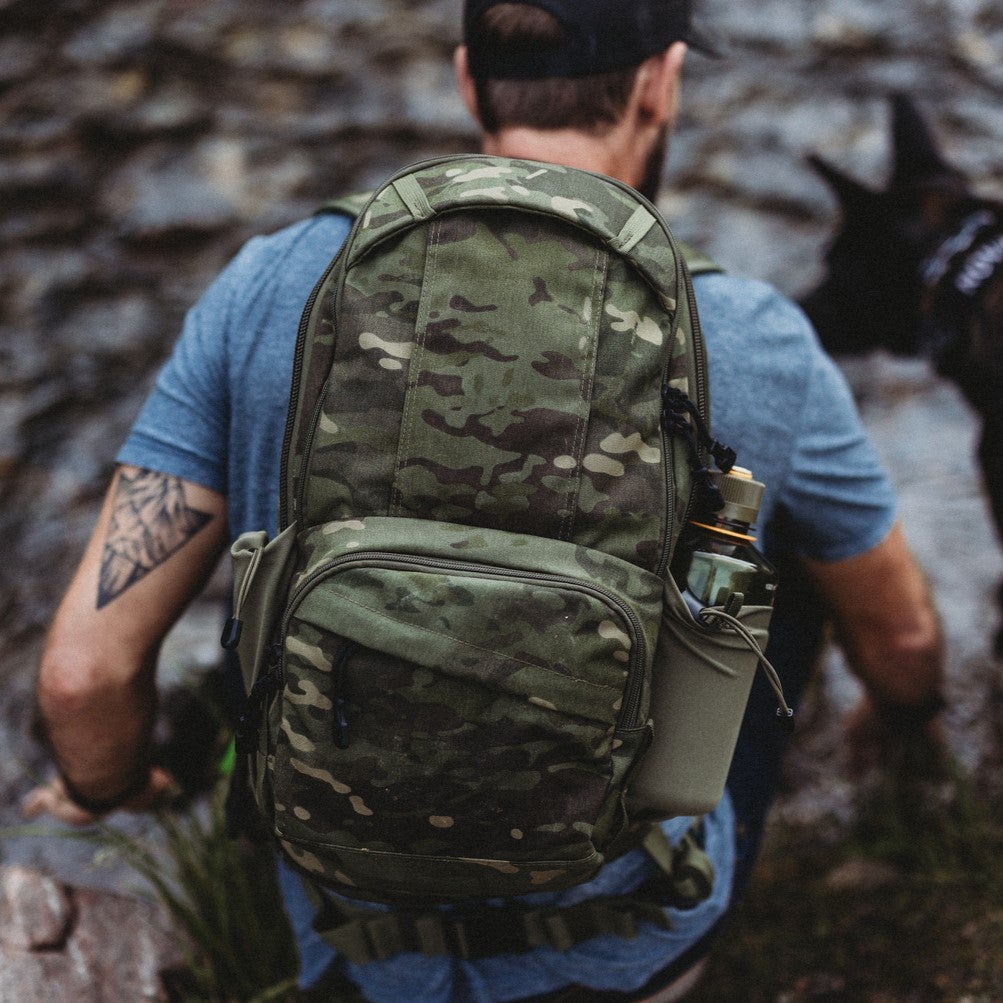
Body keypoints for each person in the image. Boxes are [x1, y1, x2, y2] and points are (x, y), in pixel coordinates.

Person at [25, 1, 945, 999]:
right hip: (631, 949)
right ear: (659, 83)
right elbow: (900, 642)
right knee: (785, 551)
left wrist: (112, 790)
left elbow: (82, 678)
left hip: (352, 944)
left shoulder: (273, 283)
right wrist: (904, 727)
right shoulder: (750, 334)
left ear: (468, 80)